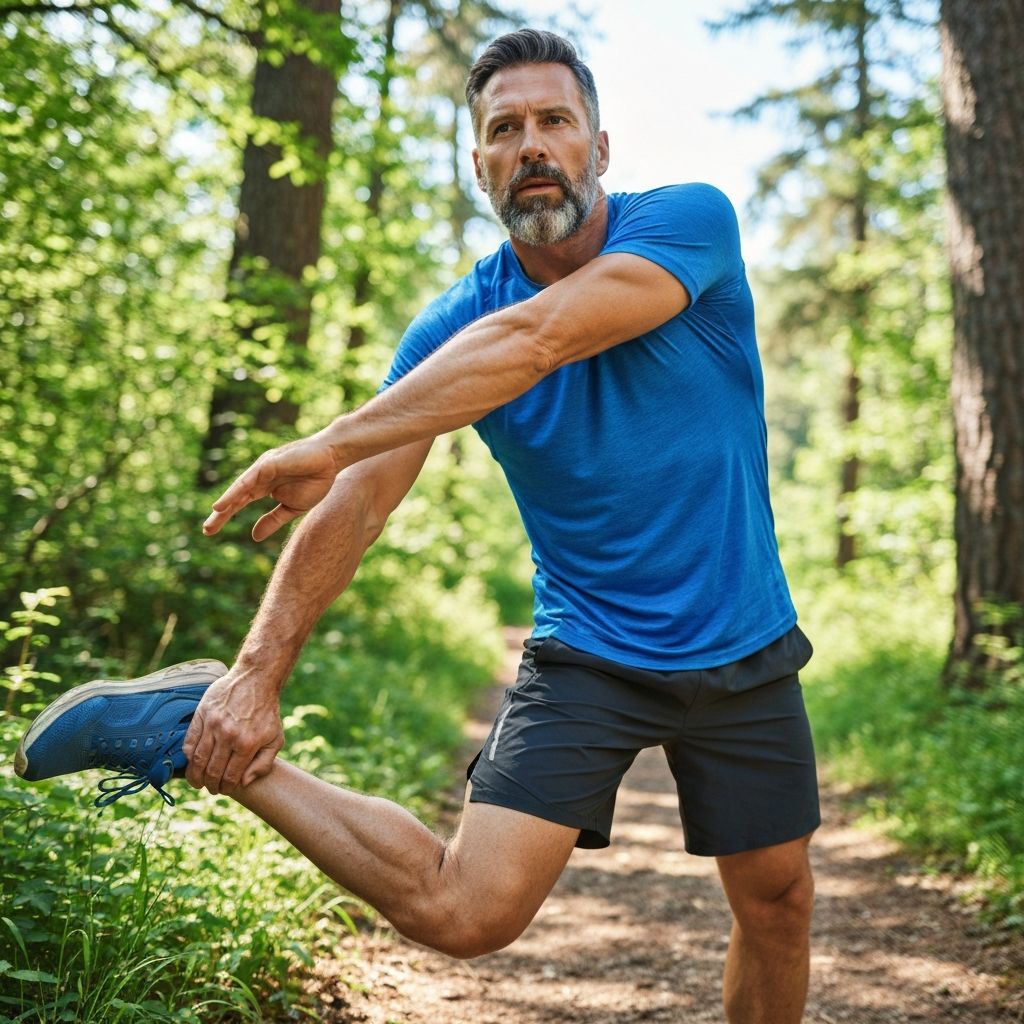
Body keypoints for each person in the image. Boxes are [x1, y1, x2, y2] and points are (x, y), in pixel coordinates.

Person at [15, 29, 820, 1023]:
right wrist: (253, 676)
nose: (530, 144)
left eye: (553, 121)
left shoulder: (690, 224)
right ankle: (183, 729)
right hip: (591, 652)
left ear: (599, 149)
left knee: (778, 901)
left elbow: (543, 336)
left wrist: (333, 437)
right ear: (480, 163)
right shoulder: (448, 330)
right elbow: (357, 500)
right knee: (463, 911)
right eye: (503, 128)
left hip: (740, 635)